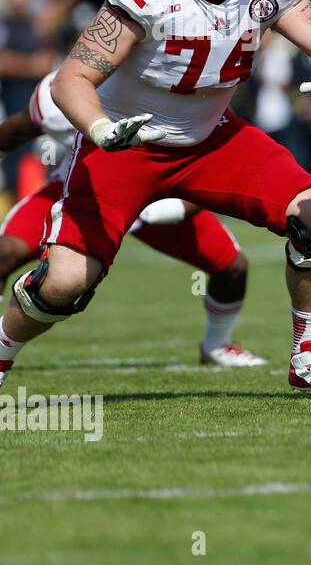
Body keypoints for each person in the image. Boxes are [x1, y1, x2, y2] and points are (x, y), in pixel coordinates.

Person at [0, 0, 311, 397]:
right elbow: (71, 80)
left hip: (213, 138)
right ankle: (0, 353)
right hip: (127, 143)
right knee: (63, 284)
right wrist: (101, 129)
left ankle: (310, 356)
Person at [0, 73, 267, 367]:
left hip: (155, 193)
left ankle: (217, 345)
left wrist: (175, 208)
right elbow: (16, 131)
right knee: (7, 252)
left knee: (232, 267)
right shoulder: (58, 93)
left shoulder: (168, 85)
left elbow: (211, 162)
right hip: (81, 190)